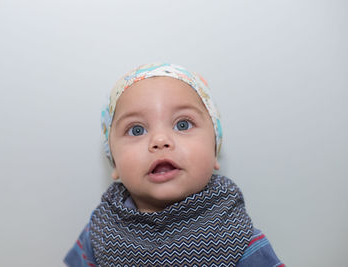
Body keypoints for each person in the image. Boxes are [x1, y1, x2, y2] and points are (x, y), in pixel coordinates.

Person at [64, 63, 284, 266]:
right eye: (137, 130)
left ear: (214, 148)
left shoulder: (236, 235)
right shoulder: (101, 231)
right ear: (113, 161)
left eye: (182, 124)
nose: (160, 141)